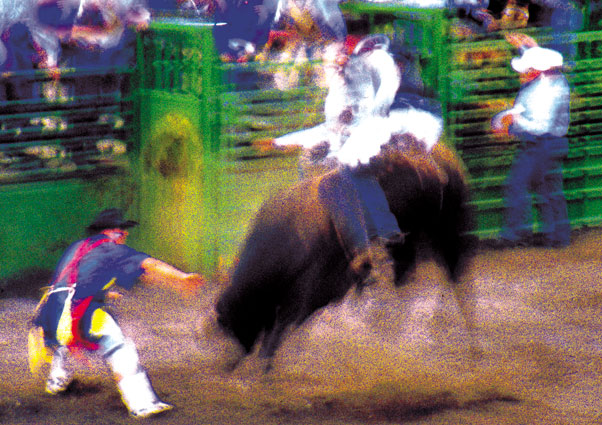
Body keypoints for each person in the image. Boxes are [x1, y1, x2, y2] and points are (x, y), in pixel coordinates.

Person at [30, 208, 205, 418]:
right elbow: (149, 266)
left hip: (48, 311)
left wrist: (105, 293)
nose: (125, 234)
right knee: (118, 345)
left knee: (62, 340)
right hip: (75, 310)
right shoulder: (111, 250)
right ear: (111, 232)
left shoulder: (79, 247)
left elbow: (74, 279)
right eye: (121, 229)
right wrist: (181, 277)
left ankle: (57, 381)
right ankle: (142, 403)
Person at [491, 43, 571, 248]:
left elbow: (539, 125)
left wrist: (511, 124)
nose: (523, 73)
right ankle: (554, 236)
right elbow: (522, 111)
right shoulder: (548, 84)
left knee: (519, 185)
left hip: (541, 143)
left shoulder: (545, 88)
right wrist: (506, 119)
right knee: (548, 190)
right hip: (547, 143)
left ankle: (518, 234)